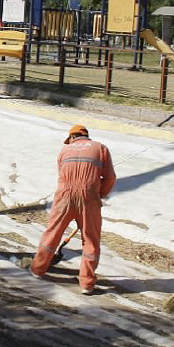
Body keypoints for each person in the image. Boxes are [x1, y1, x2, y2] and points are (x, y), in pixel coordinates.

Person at [30, 125, 116, 295]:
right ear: (86, 136)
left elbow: (61, 173)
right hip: (89, 197)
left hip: (64, 195)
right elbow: (110, 177)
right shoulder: (100, 148)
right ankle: (86, 283)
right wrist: (100, 194)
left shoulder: (65, 150)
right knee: (90, 239)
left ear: (71, 137)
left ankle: (37, 269)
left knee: (52, 233)